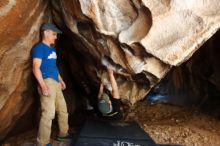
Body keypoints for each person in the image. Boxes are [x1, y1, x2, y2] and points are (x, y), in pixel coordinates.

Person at [32, 23, 69, 146]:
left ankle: (63, 134)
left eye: (56, 35)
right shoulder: (39, 48)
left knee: (63, 110)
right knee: (48, 113)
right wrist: (43, 86)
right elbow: (35, 68)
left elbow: (54, 67)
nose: (55, 37)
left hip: (56, 82)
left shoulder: (52, 49)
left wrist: (61, 80)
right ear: (46, 32)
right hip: (47, 81)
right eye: (54, 34)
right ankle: (42, 143)